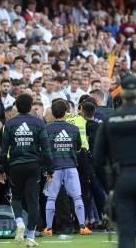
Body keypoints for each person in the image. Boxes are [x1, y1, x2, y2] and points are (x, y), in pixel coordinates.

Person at [0, 94, 53, 247]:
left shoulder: (9, 124)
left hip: (15, 165)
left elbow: (4, 150)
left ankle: (19, 222)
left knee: (15, 197)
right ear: (30, 107)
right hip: (34, 165)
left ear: (16, 106)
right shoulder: (39, 123)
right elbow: (46, 149)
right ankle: (30, 237)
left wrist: (1, 169)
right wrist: (50, 169)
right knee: (33, 200)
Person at [94, 76, 136, 248]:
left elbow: (97, 158)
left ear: (121, 94)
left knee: (126, 235)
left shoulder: (110, 120)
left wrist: (111, 183)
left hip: (122, 179)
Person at [43, 100, 92, 237]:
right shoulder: (74, 129)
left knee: (51, 198)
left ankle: (48, 228)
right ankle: (82, 226)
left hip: (54, 168)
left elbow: (44, 150)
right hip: (71, 166)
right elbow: (78, 148)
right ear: (66, 112)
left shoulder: (46, 129)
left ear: (52, 113)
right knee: (77, 197)